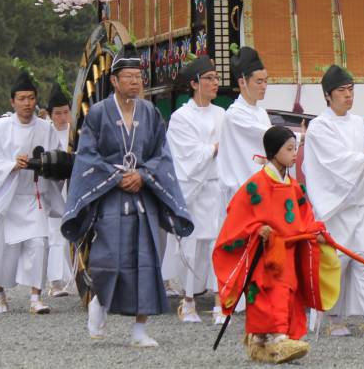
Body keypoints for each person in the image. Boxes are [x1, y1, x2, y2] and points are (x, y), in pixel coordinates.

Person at [62, 44, 194, 347]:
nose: (135, 82)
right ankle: (99, 303)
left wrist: (143, 175)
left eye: (139, 77)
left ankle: (139, 331)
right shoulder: (97, 113)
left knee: (147, 261)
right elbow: (87, 156)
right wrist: (116, 176)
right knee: (108, 259)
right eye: (129, 77)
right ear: (115, 81)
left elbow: (162, 155)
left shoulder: (149, 113)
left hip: (142, 195)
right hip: (111, 195)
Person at [214, 125, 333, 364]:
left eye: (295, 149)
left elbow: (305, 216)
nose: (293, 154)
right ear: (274, 151)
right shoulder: (256, 184)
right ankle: (278, 339)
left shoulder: (294, 186)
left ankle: (260, 340)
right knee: (266, 293)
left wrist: (316, 232)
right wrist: (257, 229)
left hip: (288, 252)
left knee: (286, 292)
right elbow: (237, 215)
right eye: (289, 149)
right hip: (265, 252)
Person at [302, 65, 364, 338]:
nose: (348, 95)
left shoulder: (357, 123)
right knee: (337, 263)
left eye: (351, 90)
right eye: (342, 91)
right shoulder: (319, 127)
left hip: (362, 204)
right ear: (328, 95)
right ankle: (333, 318)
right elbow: (338, 163)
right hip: (337, 208)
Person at [0, 69, 66, 314]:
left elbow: (56, 157)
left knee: (39, 243)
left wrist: (46, 164)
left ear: (36, 100)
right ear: (12, 101)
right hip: (8, 197)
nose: (27, 103)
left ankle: (36, 296)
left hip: (34, 196)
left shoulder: (46, 128)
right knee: (4, 249)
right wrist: (12, 164)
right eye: (22, 98)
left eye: (31, 98)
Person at [164, 55, 227, 324]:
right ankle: (187, 301)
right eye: (209, 78)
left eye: (216, 78)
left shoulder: (222, 114)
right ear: (194, 83)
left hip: (217, 187)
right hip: (194, 188)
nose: (215, 83)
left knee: (218, 245)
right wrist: (214, 148)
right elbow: (185, 155)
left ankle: (218, 301)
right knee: (192, 244)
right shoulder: (181, 117)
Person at [219, 46, 271, 199]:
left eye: (266, 81)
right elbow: (266, 136)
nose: (264, 86)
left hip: (262, 185)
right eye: (259, 82)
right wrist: (298, 136)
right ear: (242, 82)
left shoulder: (261, 112)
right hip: (240, 188)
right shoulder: (234, 115)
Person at [45, 78, 76, 297]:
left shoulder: (77, 133)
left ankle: (74, 276)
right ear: (49, 114)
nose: (63, 117)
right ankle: (55, 281)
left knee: (73, 232)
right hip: (54, 186)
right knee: (54, 234)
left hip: (74, 184)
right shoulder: (45, 133)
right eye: (58, 113)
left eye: (66, 112)